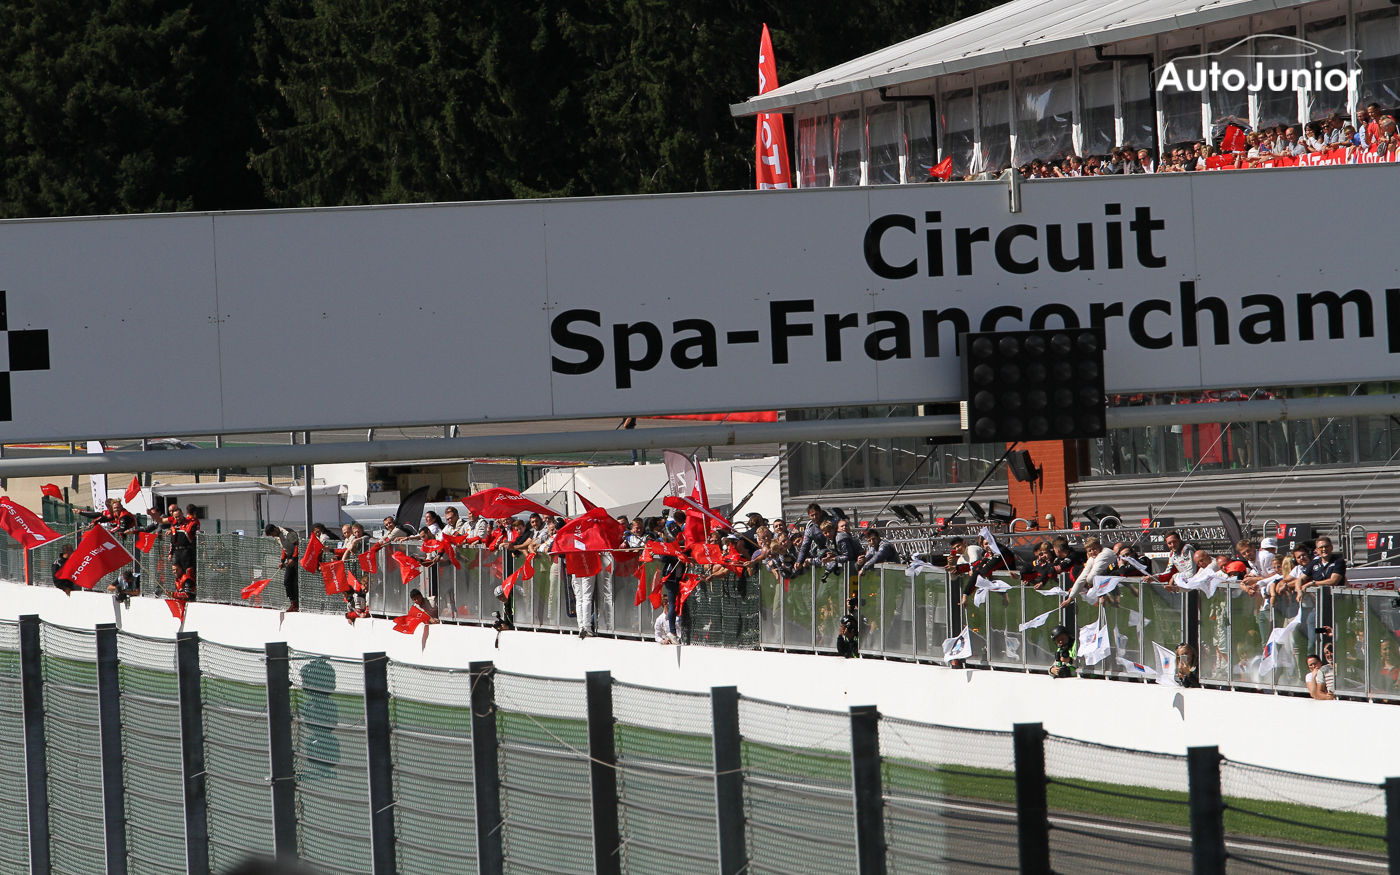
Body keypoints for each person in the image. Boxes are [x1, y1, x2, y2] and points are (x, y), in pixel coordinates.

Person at [1062, 537, 1113, 607]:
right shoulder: (1092, 559)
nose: (1092, 552)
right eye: (1089, 550)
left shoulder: (1105, 554)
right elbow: (1081, 579)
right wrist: (1070, 599)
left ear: (1100, 546)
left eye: (1094, 549)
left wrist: (1102, 594)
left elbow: (1092, 577)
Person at [264, 524, 301, 612]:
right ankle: (293, 603)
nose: (273, 536)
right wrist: (282, 561)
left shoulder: (288, 533)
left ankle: (299, 603)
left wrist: (293, 559)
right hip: (289, 557)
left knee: (296, 581)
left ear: (275, 529)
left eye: (272, 534)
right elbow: (284, 549)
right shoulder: (278, 537)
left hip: (298, 557)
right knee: (287, 581)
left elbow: (297, 546)